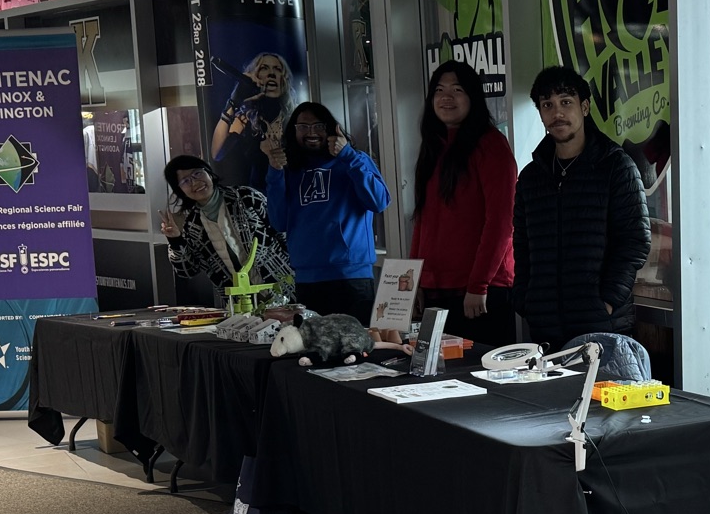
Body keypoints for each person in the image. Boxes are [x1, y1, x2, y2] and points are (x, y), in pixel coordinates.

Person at [512, 66, 650, 346]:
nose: (557, 113)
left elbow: (634, 241)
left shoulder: (616, 167)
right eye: (547, 105)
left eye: (566, 102)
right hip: (544, 325)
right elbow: (522, 245)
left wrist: (608, 301)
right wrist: (525, 299)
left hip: (602, 325)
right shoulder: (531, 177)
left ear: (584, 107)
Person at [412, 60, 516, 347]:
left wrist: (478, 284)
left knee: (480, 372)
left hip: (478, 293)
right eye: (439, 90)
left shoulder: (491, 145)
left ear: (473, 97)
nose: (447, 97)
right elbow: (422, 219)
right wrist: (415, 280)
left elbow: (501, 222)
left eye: (457, 90)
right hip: (435, 290)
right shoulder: (433, 145)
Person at [265, 100, 389, 322]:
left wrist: (348, 156)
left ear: (331, 129)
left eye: (318, 126)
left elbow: (379, 202)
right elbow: (279, 221)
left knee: (356, 342)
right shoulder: (289, 168)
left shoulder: (354, 159)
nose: (311, 132)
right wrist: (275, 171)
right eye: (303, 126)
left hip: (351, 277)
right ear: (293, 131)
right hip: (307, 279)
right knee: (312, 344)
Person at [158, 155, 294, 309]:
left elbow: (283, 232)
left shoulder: (245, 197)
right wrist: (175, 240)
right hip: (240, 304)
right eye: (185, 181)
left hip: (283, 286)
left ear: (208, 172)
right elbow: (188, 271)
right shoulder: (191, 225)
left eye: (197, 173)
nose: (195, 182)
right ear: (179, 190)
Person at [211, 51, 292, 189]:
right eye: (264, 68)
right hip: (258, 197)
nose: (271, 74)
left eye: (277, 69)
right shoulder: (245, 117)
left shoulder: (293, 116)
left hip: (289, 193)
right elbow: (217, 153)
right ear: (255, 76)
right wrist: (233, 102)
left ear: (283, 78)